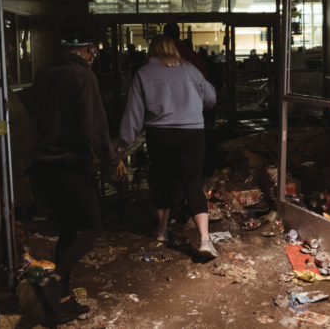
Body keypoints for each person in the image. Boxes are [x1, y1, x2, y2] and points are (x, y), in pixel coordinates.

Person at [32, 29, 126, 324]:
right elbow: (94, 126)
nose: (92, 55)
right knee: (92, 227)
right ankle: (55, 279)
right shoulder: (83, 77)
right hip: (70, 163)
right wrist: (112, 159)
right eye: (91, 50)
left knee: (68, 231)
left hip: (43, 164)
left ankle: (62, 302)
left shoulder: (43, 74)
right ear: (85, 49)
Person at [118, 35, 218, 259]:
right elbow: (211, 98)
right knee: (192, 182)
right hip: (192, 133)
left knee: (164, 181)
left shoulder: (144, 73)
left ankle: (161, 232)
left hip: (160, 134)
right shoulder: (191, 70)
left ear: (151, 51)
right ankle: (204, 240)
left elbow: (134, 112)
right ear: (175, 49)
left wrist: (124, 142)